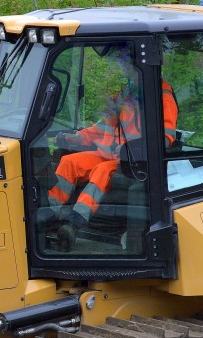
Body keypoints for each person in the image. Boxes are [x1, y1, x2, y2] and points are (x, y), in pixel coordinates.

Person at [48, 58, 177, 231]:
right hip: (106, 154)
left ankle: (74, 224)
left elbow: (165, 139)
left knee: (101, 171)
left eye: (128, 63)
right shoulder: (127, 93)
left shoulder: (163, 95)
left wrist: (129, 150)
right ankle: (49, 215)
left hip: (131, 162)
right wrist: (75, 138)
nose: (124, 67)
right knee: (68, 162)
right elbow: (102, 127)